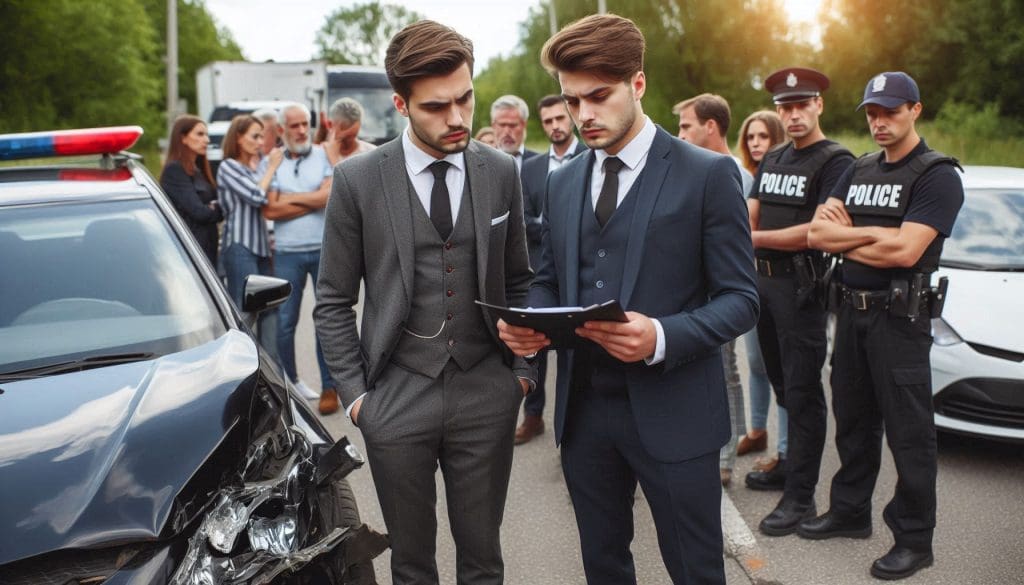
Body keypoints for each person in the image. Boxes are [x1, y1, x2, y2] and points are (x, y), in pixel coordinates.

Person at [498, 14, 758, 584]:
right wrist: (529, 325)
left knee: (696, 570)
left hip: (677, 412)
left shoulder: (709, 174)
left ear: (637, 84)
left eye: (599, 96)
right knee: (603, 566)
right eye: (572, 100)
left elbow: (741, 298)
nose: (583, 115)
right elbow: (549, 277)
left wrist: (661, 336)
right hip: (585, 413)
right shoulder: (560, 181)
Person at [313, 20, 534, 585]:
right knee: (412, 564)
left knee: (484, 561)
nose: (458, 118)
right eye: (437, 106)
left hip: (486, 390)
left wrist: (523, 376)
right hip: (396, 394)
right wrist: (359, 398)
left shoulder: (501, 171)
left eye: (465, 98)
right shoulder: (358, 179)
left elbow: (520, 280)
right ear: (401, 104)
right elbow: (334, 299)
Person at [804, 72, 963, 581]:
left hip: (900, 320)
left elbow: (906, 249)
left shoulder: (936, 175)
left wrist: (851, 233)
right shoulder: (860, 167)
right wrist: (859, 235)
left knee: (909, 435)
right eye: (872, 112)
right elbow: (818, 234)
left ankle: (914, 541)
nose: (879, 122)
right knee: (852, 420)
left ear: (915, 110)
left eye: (890, 111)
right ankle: (850, 512)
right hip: (850, 313)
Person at [744, 68, 854, 537]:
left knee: (805, 394)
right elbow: (749, 211)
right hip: (763, 288)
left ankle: (801, 498)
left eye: (800, 105)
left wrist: (752, 238)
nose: (792, 115)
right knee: (783, 386)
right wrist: (749, 238)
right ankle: (792, 469)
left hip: (800, 289)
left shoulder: (836, 160)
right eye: (785, 107)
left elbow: (816, 232)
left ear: (818, 105)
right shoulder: (773, 158)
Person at [673, 93, 752, 487]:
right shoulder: (692, 170)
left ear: (711, 126)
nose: (679, 134)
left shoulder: (732, 172)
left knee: (726, 372)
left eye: (686, 125)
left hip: (720, 296)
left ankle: (725, 457)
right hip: (694, 295)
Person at [514, 94, 588, 445]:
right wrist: (553, 225)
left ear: (571, 117)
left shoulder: (592, 158)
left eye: (561, 118)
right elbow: (524, 219)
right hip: (541, 268)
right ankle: (533, 415)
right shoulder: (530, 168)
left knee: (584, 347)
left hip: (583, 270)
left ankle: (582, 424)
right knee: (538, 347)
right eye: (548, 121)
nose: (556, 125)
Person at [262, 103, 337, 414]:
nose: (302, 130)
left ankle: (330, 386)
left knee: (328, 319)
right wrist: (313, 199)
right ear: (282, 130)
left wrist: (289, 199)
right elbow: (270, 209)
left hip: (323, 249)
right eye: (294, 126)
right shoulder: (273, 160)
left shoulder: (323, 154)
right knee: (284, 322)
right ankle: (289, 382)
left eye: (305, 123)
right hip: (287, 253)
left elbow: (329, 197)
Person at [735, 110, 789, 482]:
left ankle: (785, 449)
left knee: (781, 370)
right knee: (755, 361)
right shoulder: (742, 177)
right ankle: (756, 430)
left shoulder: (782, 180)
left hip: (780, 284)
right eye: (751, 137)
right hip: (750, 280)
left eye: (763, 137)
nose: (756, 143)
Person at [216, 115, 283, 307]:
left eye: (262, 137)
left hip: (262, 246)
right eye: (255, 137)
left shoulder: (257, 167)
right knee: (244, 307)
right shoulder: (228, 166)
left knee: (268, 308)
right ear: (238, 137)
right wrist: (271, 167)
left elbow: (273, 194)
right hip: (240, 245)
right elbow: (257, 196)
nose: (260, 142)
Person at [161, 115, 222, 265]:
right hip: (190, 250)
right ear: (183, 138)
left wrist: (214, 208)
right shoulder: (174, 170)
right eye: (200, 134)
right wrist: (215, 208)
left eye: (206, 135)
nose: (207, 140)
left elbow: (218, 207)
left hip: (208, 246)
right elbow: (199, 212)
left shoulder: (198, 170)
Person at [490, 95, 539, 170]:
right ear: (493, 126)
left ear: (524, 125)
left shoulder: (540, 163)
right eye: (502, 125)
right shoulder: (481, 163)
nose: (507, 132)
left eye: (512, 125)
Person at [324, 97, 377, 166]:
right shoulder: (319, 154)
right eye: (343, 138)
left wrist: (333, 158)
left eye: (353, 136)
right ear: (329, 124)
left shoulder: (372, 154)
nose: (349, 143)